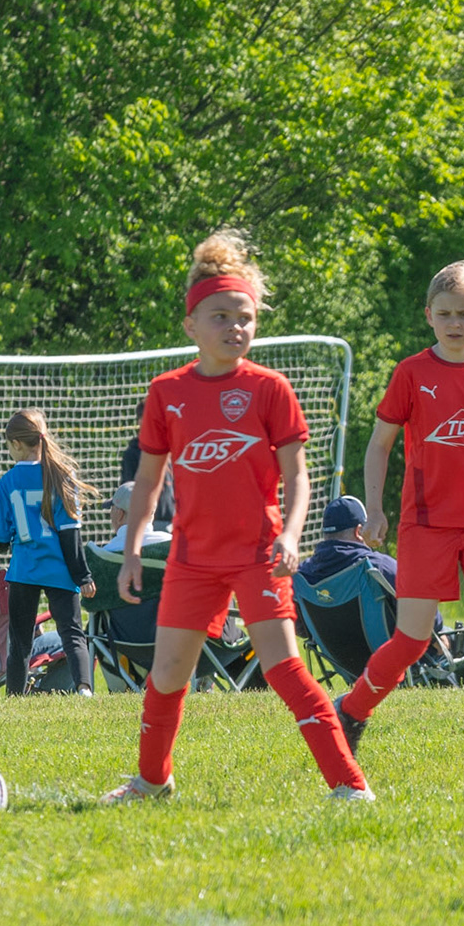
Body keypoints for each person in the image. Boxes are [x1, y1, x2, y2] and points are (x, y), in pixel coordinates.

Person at [102, 228, 371, 805]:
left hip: (259, 554)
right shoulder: (166, 392)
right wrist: (131, 553)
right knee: (167, 677)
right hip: (192, 559)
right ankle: (152, 782)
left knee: (286, 671)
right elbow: (148, 481)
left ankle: (350, 786)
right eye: (220, 316)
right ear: (191, 326)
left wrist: (293, 534)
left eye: (244, 316)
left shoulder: (271, 390)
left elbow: (298, 476)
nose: (235, 328)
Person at [342, 260, 464, 766]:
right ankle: (352, 709)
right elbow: (379, 444)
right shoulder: (412, 373)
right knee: (410, 640)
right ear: (429, 316)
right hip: (426, 525)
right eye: (446, 313)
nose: (455, 323)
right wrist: (376, 506)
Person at [300, 494, 464, 678]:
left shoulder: (302, 577)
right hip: (408, 669)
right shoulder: (376, 567)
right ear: (358, 531)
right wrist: (438, 635)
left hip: (353, 675)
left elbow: (301, 628)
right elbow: (427, 618)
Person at [0, 409, 97, 698]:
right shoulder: (63, 475)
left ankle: (14, 696)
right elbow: (70, 533)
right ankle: (84, 689)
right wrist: (83, 575)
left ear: (16, 444)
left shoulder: (8, 482)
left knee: (20, 641)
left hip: (24, 569)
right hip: (60, 568)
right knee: (73, 633)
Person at [119, 399, 177, 528]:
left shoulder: (169, 450)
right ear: (141, 421)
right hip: (149, 523)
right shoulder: (133, 454)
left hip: (172, 521)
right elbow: (129, 490)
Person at [101, 482, 171, 551]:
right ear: (151, 514)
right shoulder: (172, 544)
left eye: (112, 509)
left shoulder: (106, 552)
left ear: (119, 514)